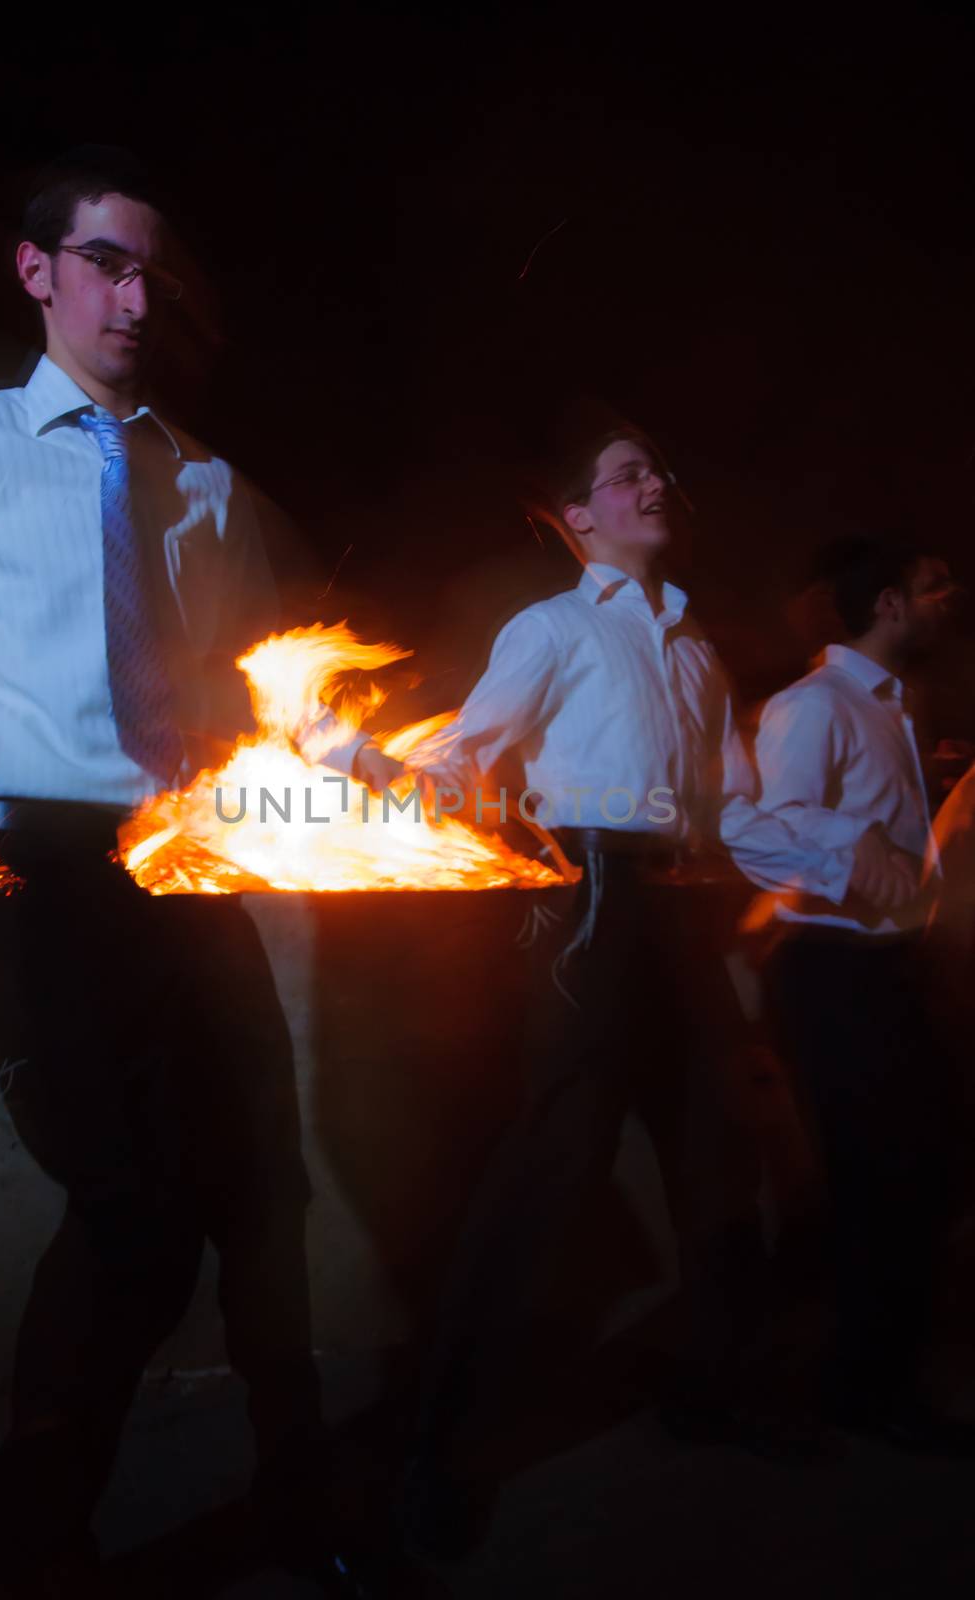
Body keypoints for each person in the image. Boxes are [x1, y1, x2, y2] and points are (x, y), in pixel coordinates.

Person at [0, 147, 392, 1597]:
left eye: (152, 271)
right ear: (37, 270)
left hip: (185, 865)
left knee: (261, 1193)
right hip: (37, 870)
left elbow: (252, 693)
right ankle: (26, 1543)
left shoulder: (204, 481)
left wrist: (343, 759)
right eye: (107, 261)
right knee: (127, 1209)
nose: (135, 294)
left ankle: (301, 1505)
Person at [393, 424, 917, 1557]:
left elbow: (728, 811)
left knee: (716, 1144)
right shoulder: (549, 628)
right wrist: (364, 764)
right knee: (550, 1163)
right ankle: (433, 1452)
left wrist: (841, 850)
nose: (652, 484)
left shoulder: (690, 653)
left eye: (657, 470)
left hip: (672, 903)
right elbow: (462, 755)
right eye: (624, 474)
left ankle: (710, 1388)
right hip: (583, 906)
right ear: (575, 515)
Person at [756, 536, 973, 1450]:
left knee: (917, 1175)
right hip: (831, 969)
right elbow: (769, 826)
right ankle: (853, 1392)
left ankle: (866, 1379)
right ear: (887, 604)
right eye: (931, 585)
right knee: (878, 1184)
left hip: (884, 968)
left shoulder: (892, 703)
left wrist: (916, 787)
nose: (948, 596)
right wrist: (859, 846)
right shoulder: (813, 706)